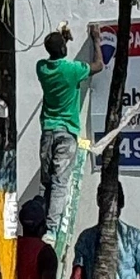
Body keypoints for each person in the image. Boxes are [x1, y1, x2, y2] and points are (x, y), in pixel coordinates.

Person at [33, 27, 90, 235]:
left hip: (48, 130)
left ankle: (39, 223)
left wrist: (61, 40)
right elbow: (98, 66)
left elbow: (55, 58)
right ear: (64, 49)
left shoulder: (41, 68)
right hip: (67, 132)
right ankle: (51, 229)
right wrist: (96, 39)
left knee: (46, 181)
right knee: (60, 181)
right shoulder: (73, 70)